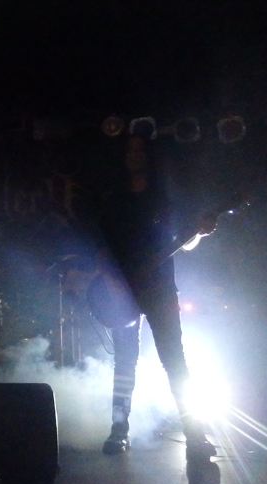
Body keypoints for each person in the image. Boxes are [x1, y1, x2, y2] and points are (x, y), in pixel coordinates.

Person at [91, 133, 218, 462]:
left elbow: (184, 241)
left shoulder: (164, 197)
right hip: (123, 289)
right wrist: (113, 282)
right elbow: (101, 244)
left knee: (175, 360)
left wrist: (199, 233)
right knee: (125, 361)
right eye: (129, 151)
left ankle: (195, 436)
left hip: (160, 289)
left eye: (139, 150)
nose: (134, 156)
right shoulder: (115, 196)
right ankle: (119, 430)